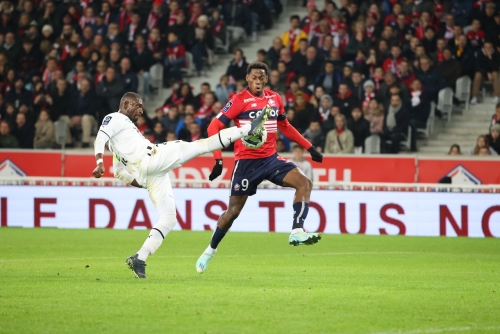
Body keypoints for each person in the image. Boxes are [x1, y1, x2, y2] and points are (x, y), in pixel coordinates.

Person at [92, 92, 271, 278]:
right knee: (199, 146)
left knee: (169, 218)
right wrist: (98, 162)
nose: (141, 110)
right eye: (138, 105)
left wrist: (143, 183)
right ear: (126, 104)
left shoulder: (118, 141)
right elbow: (99, 138)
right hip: (152, 157)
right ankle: (248, 128)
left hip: (150, 174)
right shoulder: (115, 118)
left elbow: (119, 172)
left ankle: (140, 257)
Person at [195, 61, 324, 274]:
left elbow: (285, 126)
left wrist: (309, 147)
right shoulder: (238, 101)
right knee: (233, 212)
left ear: (266, 79)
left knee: (304, 183)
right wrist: (218, 159)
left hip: (270, 159)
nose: (257, 81)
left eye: (261, 77)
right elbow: (213, 126)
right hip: (246, 163)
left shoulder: (275, 99)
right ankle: (210, 250)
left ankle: (297, 230)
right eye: (254, 77)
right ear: (247, 78)